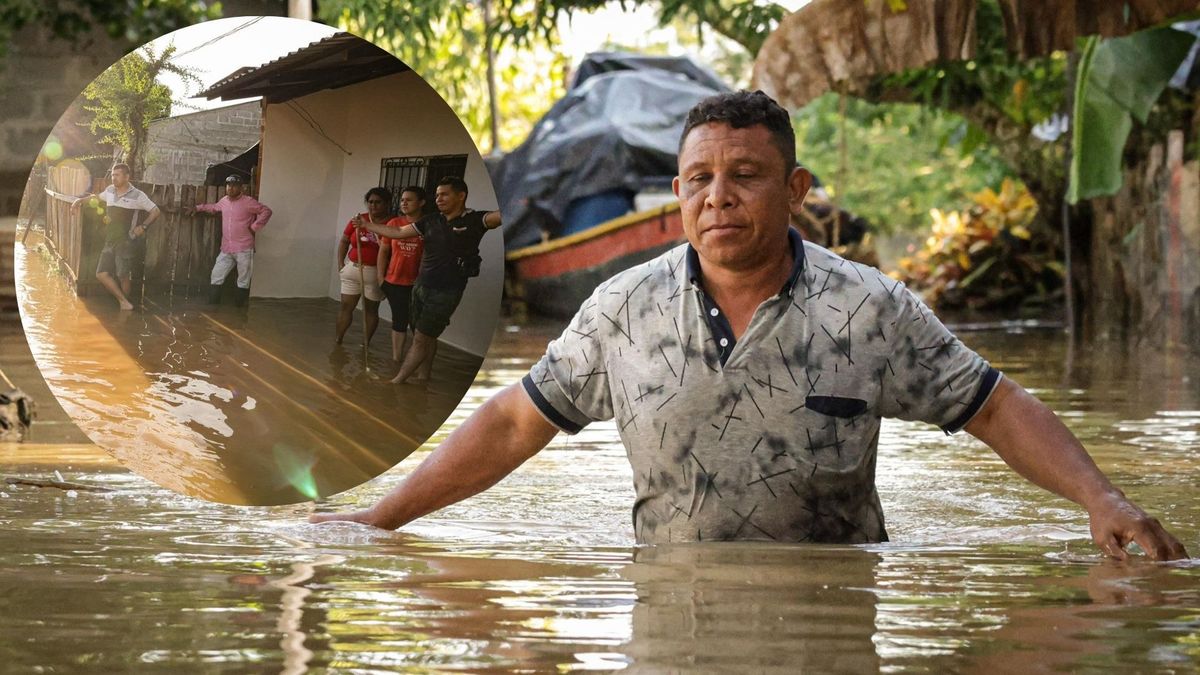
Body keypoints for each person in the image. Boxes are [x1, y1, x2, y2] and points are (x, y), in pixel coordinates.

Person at [313, 91, 1188, 561]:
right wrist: (379, 521)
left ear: (796, 189)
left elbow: (993, 405)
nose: (718, 197)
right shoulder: (622, 307)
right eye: (699, 179)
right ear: (678, 193)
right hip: (671, 616)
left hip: (834, 615)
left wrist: (1102, 499)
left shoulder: (871, 308)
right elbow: (513, 420)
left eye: (746, 175)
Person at [355, 176, 501, 384]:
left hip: (446, 291)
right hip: (421, 286)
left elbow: (502, 216)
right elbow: (397, 232)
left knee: (421, 338)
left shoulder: (475, 220)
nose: (439, 199)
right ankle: (424, 376)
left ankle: (396, 381)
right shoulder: (431, 220)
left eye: (445, 194)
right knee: (425, 336)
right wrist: (366, 224)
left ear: (461, 196)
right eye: (437, 195)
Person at [71, 163, 160, 310]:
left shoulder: (138, 195)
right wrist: (79, 200)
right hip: (110, 240)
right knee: (101, 274)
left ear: (126, 177)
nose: (113, 178)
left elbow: (155, 211)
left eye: (117, 175)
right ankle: (124, 302)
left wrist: (143, 226)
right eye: (113, 175)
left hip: (126, 241)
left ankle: (125, 304)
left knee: (123, 275)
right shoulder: (110, 190)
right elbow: (96, 198)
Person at [193, 175, 272, 307]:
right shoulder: (224, 201)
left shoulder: (248, 202)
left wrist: (254, 227)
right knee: (216, 275)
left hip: (244, 248)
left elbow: (266, 211)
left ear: (241, 188)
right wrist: (197, 208)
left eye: (234, 185)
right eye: (229, 185)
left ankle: (239, 312)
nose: (231, 188)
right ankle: (213, 308)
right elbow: (213, 207)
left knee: (243, 280)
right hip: (226, 248)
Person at [377, 186, 427, 362]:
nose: (404, 203)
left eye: (409, 200)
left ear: (421, 202)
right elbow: (383, 251)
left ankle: (417, 362)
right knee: (399, 321)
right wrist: (381, 278)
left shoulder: (429, 224)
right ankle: (397, 360)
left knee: (418, 326)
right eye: (402, 200)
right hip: (394, 281)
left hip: (419, 284)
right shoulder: (394, 223)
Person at [335, 188, 390, 346]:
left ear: (387, 203)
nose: (373, 205)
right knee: (346, 307)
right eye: (370, 202)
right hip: (353, 268)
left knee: (371, 310)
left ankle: (365, 344)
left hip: (375, 272)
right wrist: (341, 264)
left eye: (378, 202)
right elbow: (344, 241)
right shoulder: (358, 219)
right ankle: (338, 341)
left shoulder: (392, 223)